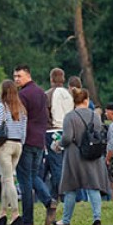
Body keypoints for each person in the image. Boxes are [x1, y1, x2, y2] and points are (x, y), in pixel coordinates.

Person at [53, 88, 110, 225]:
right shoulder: (95, 116)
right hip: (92, 154)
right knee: (93, 187)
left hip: (74, 155)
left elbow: (66, 138)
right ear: (86, 100)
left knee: (71, 188)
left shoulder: (70, 116)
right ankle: (97, 217)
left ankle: (66, 220)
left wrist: (58, 145)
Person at [13, 65, 56, 225]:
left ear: (28, 75)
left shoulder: (22, 95)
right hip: (40, 140)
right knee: (32, 176)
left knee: (25, 181)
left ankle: (28, 218)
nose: (16, 79)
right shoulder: (40, 92)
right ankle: (48, 201)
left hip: (26, 140)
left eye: (19, 76)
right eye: (15, 76)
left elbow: (20, 119)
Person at [0, 80, 25, 225]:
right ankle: (2, 213)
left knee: (7, 179)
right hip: (18, 144)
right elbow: (24, 131)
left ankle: (15, 213)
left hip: (5, 145)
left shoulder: (2, 107)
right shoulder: (21, 108)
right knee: (7, 179)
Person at [45, 68, 73, 202]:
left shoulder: (48, 95)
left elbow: (45, 114)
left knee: (56, 165)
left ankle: (59, 194)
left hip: (52, 130)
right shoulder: (69, 94)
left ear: (51, 79)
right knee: (66, 163)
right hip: (68, 130)